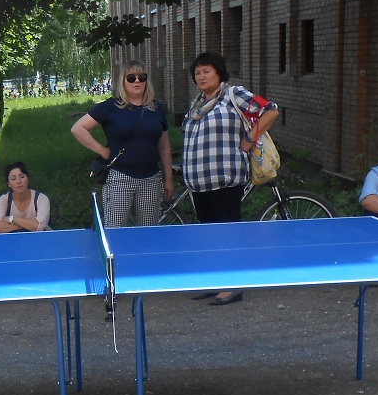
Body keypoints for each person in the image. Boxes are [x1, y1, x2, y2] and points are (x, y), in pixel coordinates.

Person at [180, 51, 279, 305]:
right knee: (210, 236)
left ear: (219, 73)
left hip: (225, 179)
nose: (201, 76)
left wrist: (249, 139)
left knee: (228, 234)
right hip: (199, 183)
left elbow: (270, 110)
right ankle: (216, 282)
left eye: (206, 71)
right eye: (197, 72)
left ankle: (234, 286)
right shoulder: (197, 104)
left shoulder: (233, 95)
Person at [70, 61, 172, 228]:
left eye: (142, 77)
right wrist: (102, 151)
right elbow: (78, 128)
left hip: (151, 180)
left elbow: (164, 146)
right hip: (120, 179)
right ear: (123, 82)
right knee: (116, 233)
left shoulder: (156, 109)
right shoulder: (111, 107)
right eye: (131, 78)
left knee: (148, 236)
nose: (137, 81)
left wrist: (168, 178)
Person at [0, 161, 51, 232]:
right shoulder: (4, 200)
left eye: (22, 177)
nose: (18, 181)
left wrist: (11, 219)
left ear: (28, 179)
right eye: (13, 179)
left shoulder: (41, 199)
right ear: (9, 184)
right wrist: (22, 227)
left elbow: (39, 226)